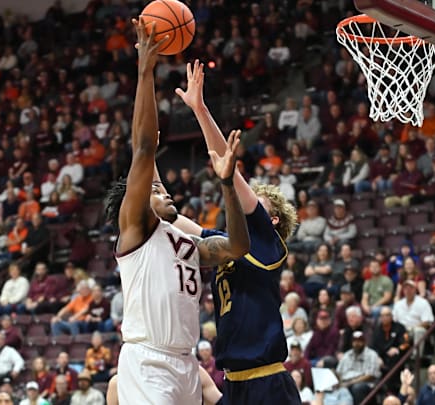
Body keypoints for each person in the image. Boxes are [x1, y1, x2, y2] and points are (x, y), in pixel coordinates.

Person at [103, 21, 250, 405]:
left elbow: (236, 246)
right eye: (154, 189)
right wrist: (144, 71)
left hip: (186, 364)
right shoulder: (135, 230)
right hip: (148, 361)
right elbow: (142, 151)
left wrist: (227, 183)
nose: (163, 189)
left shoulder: (184, 241)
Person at [173, 59, 301, 404]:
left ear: (271, 220)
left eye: (258, 205)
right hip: (234, 382)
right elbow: (181, 223)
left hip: (267, 382)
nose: (250, 203)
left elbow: (225, 163)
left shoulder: (267, 244)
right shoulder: (233, 243)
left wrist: (201, 110)